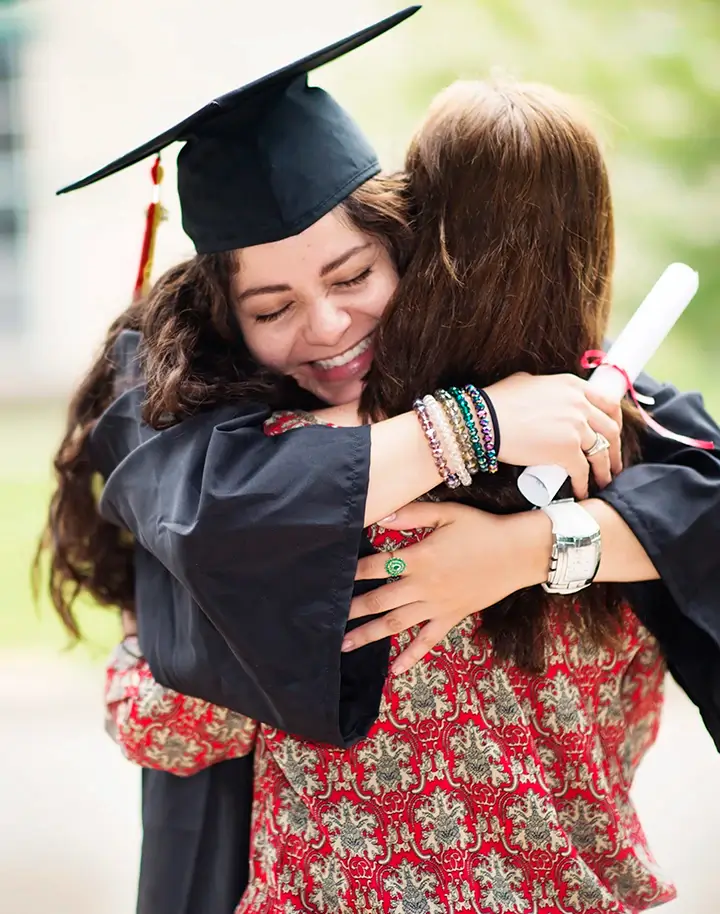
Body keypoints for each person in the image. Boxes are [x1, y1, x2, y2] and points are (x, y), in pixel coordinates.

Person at [42, 8, 720, 914]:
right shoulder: (208, 459)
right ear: (225, 321)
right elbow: (161, 704)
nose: (327, 326)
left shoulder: (576, 416)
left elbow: (697, 500)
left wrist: (524, 550)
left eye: (354, 276)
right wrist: (472, 425)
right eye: (272, 309)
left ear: (410, 250)